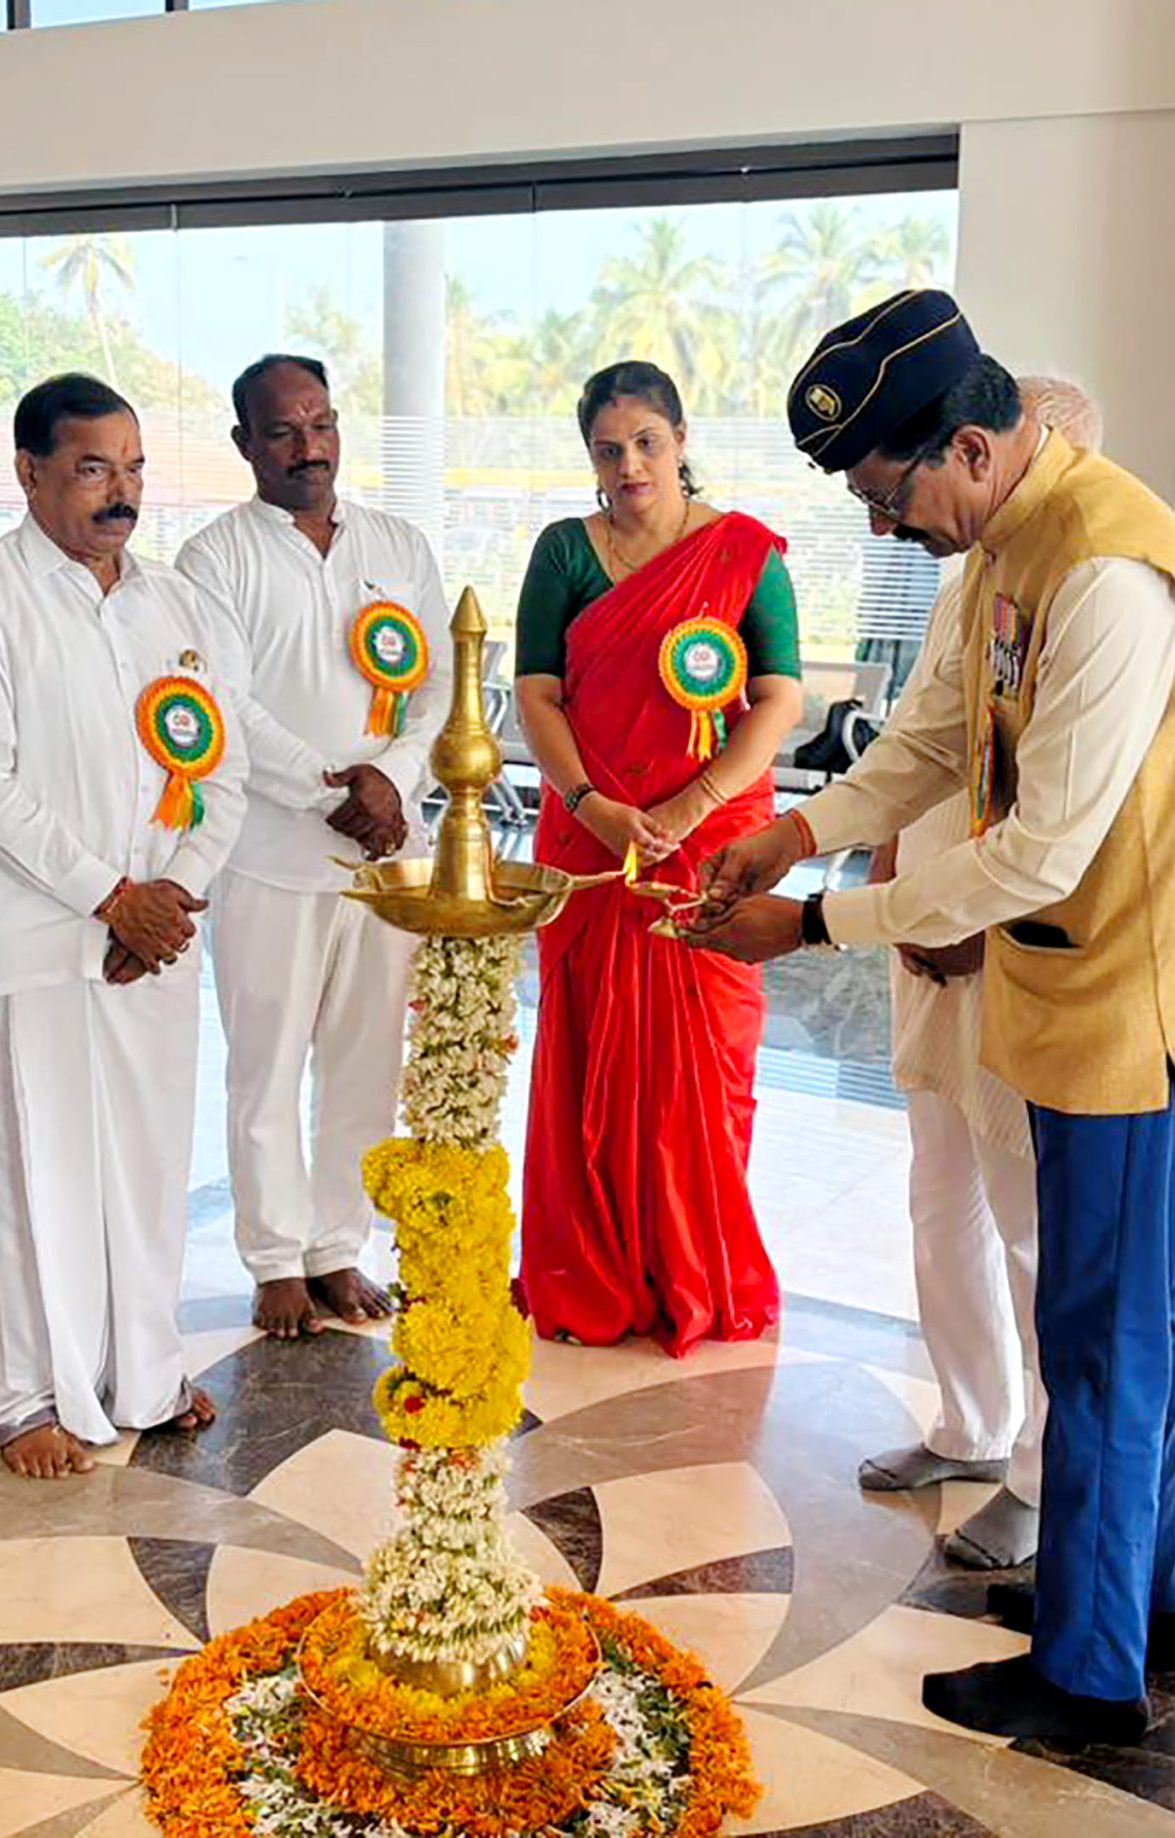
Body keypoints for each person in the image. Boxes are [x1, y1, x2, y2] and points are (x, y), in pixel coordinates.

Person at [688, 291, 1175, 1742]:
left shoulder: (1111, 573)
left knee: (1101, 1334)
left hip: (1145, 1011)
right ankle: (1126, 1602)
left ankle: (1089, 1677)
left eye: (889, 496)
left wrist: (815, 923)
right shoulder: (1010, 541)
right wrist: (797, 831)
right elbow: (935, 739)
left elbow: (1040, 853)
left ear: (967, 445)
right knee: (1123, 1317)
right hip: (1086, 989)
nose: (885, 527)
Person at [0, 374, 241, 1479]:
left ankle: (144, 1373)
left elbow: (224, 771)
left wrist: (171, 894)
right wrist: (111, 896)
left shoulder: (176, 605)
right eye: (94, 469)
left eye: (134, 468)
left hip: (157, 942)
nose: (120, 494)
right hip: (42, 937)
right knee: (38, 1169)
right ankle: (25, 1396)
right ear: (29, 472)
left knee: (147, 1165)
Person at [857, 376, 1099, 1574]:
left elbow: (1057, 818)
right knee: (937, 1184)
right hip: (923, 913)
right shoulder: (969, 571)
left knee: (1028, 1220)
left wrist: (966, 919)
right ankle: (967, 1422)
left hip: (1006, 936)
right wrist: (886, 853)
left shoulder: (1089, 583)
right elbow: (924, 737)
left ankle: (1042, 1480)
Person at [514, 360, 805, 1355]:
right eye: (608, 449)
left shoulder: (744, 551)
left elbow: (779, 697)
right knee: (589, 1058)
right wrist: (593, 806)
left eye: (646, 442)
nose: (628, 465)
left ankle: (695, 1266)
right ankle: (591, 1269)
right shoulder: (564, 552)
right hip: (593, 845)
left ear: (682, 440)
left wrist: (693, 805)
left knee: (706, 1072)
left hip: (712, 849)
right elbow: (537, 693)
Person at [174, 356, 452, 1339]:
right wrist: (335, 788)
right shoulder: (213, 559)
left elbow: (439, 686)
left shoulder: (398, 544)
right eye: (284, 431)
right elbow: (223, 704)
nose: (309, 448)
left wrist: (395, 780)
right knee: (266, 1063)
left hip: (387, 857)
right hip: (269, 855)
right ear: (245, 442)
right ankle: (274, 1258)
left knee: (365, 1063)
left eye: (322, 424)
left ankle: (338, 1246)